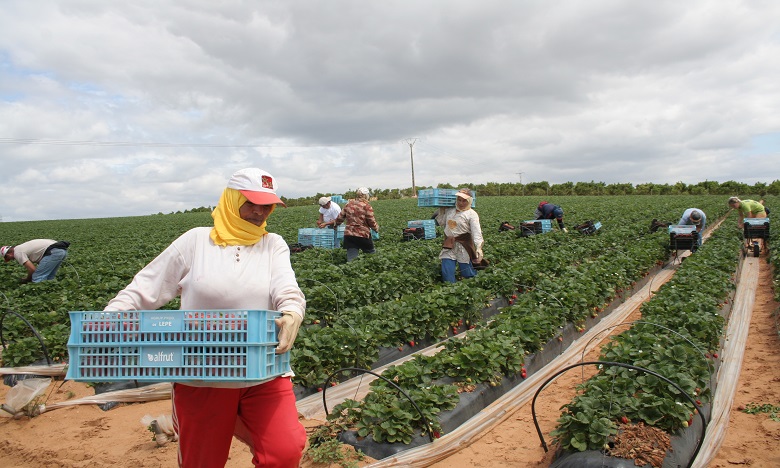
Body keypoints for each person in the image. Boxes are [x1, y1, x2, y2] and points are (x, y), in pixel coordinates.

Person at [103, 168, 306, 467]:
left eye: (267, 205)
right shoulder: (196, 241)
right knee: (202, 460)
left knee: (284, 450)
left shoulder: (272, 244)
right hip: (202, 374)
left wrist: (292, 311)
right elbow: (146, 287)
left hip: (263, 371)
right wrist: (110, 318)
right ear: (231, 199)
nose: (259, 212)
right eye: (251, 203)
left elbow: (286, 287)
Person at [435, 189, 484, 283]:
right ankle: (450, 287)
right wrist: (442, 210)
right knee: (447, 271)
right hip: (449, 245)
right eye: (459, 200)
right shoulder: (450, 211)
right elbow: (441, 222)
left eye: (464, 201)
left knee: (467, 273)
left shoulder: (471, 214)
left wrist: (479, 247)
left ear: (469, 201)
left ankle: (473, 286)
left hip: (464, 246)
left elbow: (476, 232)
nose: (461, 203)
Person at [334, 187, 380, 262]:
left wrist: (336, 225)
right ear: (366, 195)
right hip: (363, 234)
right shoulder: (367, 206)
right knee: (371, 255)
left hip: (349, 234)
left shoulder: (348, 204)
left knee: (352, 259)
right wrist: (376, 228)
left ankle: (351, 268)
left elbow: (340, 218)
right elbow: (371, 221)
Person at [1, 239, 70, 283]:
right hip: (62, 250)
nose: (11, 259)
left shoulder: (17, 253)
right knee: (49, 276)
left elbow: (32, 269)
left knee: (37, 277)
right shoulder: (20, 247)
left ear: (8, 254)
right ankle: (51, 292)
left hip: (53, 252)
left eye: (8, 258)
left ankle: (41, 296)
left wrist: (28, 279)